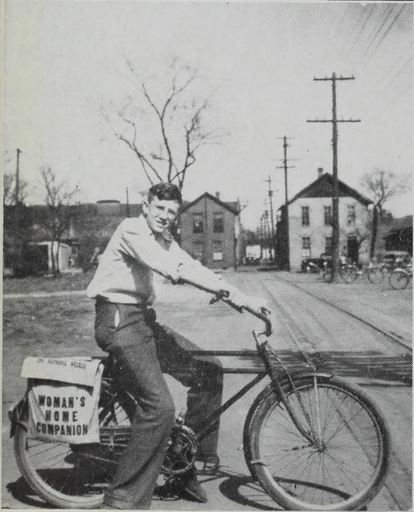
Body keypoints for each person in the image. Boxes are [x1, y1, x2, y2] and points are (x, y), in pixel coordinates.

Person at [87, 182, 269, 509]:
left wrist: (233, 294)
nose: (165, 217)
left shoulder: (163, 238)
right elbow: (175, 268)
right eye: (160, 209)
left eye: (171, 212)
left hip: (141, 319)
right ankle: (121, 500)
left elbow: (191, 265)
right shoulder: (131, 229)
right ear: (146, 205)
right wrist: (237, 297)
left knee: (208, 370)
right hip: (118, 318)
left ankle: (182, 469)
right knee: (159, 409)